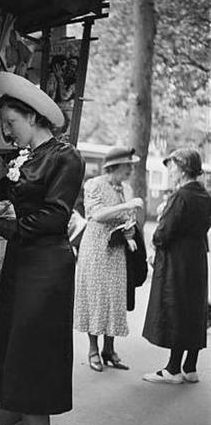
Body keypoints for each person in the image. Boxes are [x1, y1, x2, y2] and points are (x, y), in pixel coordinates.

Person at [0, 71, 84, 425]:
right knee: (19, 365)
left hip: (46, 272)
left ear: (33, 117)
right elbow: (6, 189)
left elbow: (52, 217)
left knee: (32, 366)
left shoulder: (66, 157)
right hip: (23, 266)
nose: (8, 131)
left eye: (11, 123)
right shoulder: (30, 158)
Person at [142, 148, 211, 384]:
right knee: (194, 310)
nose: (170, 171)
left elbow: (163, 233)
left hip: (177, 259)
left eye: (172, 166)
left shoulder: (180, 196)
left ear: (182, 169)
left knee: (176, 309)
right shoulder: (204, 195)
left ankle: (172, 370)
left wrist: (155, 243)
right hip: (197, 258)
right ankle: (190, 367)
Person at [74, 147, 144, 372]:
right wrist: (127, 205)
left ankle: (109, 349)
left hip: (116, 249)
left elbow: (128, 216)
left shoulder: (126, 188)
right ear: (114, 166)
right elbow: (95, 214)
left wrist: (130, 229)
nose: (131, 170)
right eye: (128, 166)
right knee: (96, 297)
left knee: (115, 298)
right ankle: (93, 350)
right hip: (96, 249)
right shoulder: (94, 184)